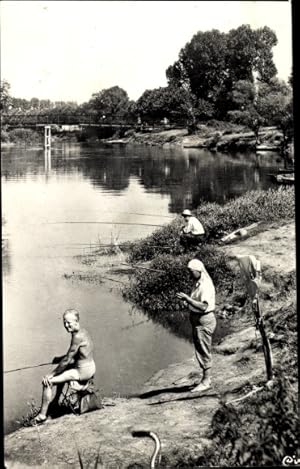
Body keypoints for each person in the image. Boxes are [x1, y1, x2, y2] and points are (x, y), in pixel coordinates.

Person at [32, 309, 96, 424]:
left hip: (83, 372)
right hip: (90, 366)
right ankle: (56, 402)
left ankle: (42, 415)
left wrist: (51, 374)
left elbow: (67, 360)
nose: (66, 326)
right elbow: (79, 353)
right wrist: (59, 359)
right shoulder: (84, 331)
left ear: (76, 321)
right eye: (64, 323)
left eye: (69, 323)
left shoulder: (77, 337)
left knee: (48, 382)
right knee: (63, 371)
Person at [176, 259, 216, 393]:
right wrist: (187, 302)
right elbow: (196, 303)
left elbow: (204, 306)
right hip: (197, 319)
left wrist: (188, 299)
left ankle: (206, 381)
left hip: (204, 319)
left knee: (203, 349)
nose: (189, 274)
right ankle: (205, 378)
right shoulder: (198, 283)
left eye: (190, 271)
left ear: (198, 271)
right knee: (200, 347)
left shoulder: (205, 285)